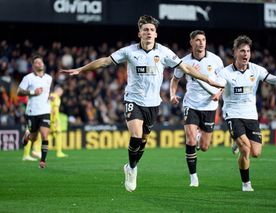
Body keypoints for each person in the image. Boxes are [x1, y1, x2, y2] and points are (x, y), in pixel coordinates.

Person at [60, 15, 224, 192]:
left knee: (143, 142)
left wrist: (209, 80)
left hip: (153, 104)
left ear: (156, 34)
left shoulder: (164, 52)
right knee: (136, 136)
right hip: (133, 100)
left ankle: (131, 165)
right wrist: (81, 69)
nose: (148, 32)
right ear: (139, 33)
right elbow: (106, 61)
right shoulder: (129, 51)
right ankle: (132, 169)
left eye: (152, 30)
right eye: (145, 30)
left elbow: (186, 68)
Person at [218, 35, 276, 192]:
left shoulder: (256, 70)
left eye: (248, 51)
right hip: (233, 114)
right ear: (235, 52)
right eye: (242, 51)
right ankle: (246, 184)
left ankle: (236, 142)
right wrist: (217, 92)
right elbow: (219, 85)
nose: (245, 54)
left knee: (256, 153)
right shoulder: (225, 72)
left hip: (251, 116)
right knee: (245, 149)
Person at [170, 30, 224, 187]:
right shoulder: (183, 62)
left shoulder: (215, 60)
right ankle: (193, 176)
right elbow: (175, 80)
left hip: (210, 105)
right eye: (198, 40)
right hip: (191, 104)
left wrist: (219, 93)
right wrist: (173, 94)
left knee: (205, 147)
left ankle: (201, 138)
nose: (201, 43)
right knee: (190, 139)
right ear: (191, 42)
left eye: (203, 40)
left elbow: (223, 81)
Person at [17, 55, 52, 169]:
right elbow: (19, 92)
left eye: (41, 62)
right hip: (32, 112)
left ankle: (43, 161)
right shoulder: (28, 78)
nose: (40, 63)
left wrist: (49, 97)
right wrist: (33, 92)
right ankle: (27, 135)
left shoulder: (49, 78)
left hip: (45, 111)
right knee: (34, 138)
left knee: (45, 135)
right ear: (33, 66)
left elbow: (46, 92)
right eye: (37, 62)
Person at [50, 85, 68, 158]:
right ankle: (59, 152)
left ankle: (38, 150)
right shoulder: (56, 97)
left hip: (47, 118)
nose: (62, 94)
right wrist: (56, 120)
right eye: (61, 92)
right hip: (53, 119)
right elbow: (55, 110)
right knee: (58, 134)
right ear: (58, 91)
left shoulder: (50, 95)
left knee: (48, 135)